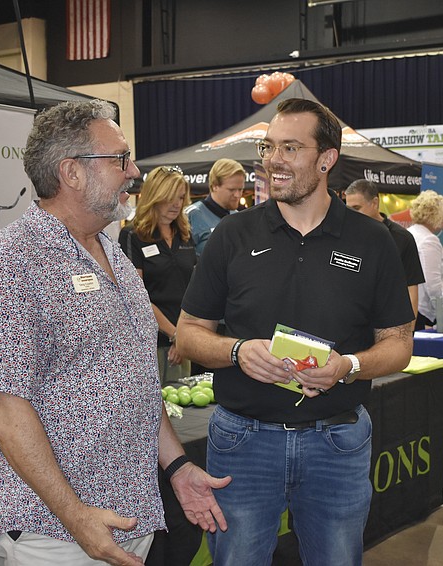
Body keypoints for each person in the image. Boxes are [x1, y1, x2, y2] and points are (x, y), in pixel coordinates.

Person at [0, 99, 230, 566]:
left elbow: (135, 382)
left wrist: (177, 467)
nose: (134, 172)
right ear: (72, 172)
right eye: (120, 159)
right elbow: (2, 407)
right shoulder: (9, 261)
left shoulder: (113, 253)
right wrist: (75, 516)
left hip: (129, 517)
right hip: (53, 531)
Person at [175, 98, 415, 566]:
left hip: (337, 443)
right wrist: (238, 351)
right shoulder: (233, 235)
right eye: (268, 148)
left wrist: (348, 366)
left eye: (290, 148)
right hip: (243, 443)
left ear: (327, 159)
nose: (273, 160)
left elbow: (399, 344)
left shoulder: (372, 241)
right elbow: (188, 335)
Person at [121, 165, 196, 382]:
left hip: (183, 340)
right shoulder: (133, 235)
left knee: (183, 399)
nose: (176, 204)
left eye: (180, 197)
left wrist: (183, 336)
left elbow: (193, 290)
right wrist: (174, 335)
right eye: (170, 197)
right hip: (151, 343)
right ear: (155, 196)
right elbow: (136, 296)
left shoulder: (184, 235)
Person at [344, 178, 425, 318]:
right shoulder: (345, 237)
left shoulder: (402, 238)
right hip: (353, 321)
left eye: (357, 208)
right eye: (348, 210)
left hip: (390, 321)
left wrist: (409, 328)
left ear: (375, 203)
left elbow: (411, 290)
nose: (352, 214)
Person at [186, 158, 246, 256]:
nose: (237, 195)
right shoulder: (191, 215)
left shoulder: (238, 217)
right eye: (232, 190)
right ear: (215, 186)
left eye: (240, 189)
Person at [407, 190, 443, 330]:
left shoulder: (409, 233)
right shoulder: (429, 240)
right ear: (434, 213)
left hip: (407, 307)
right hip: (421, 311)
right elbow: (433, 285)